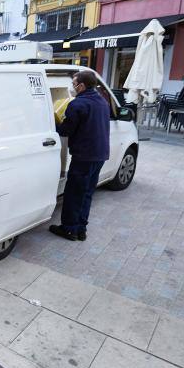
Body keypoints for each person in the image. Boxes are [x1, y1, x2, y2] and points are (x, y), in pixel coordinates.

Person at [50, 70, 111, 241]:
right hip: (99, 155)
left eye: (74, 84)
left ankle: (69, 229)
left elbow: (66, 130)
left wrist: (53, 123)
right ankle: (81, 229)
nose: (73, 87)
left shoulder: (78, 104)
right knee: (87, 193)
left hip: (83, 156)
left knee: (74, 193)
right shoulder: (102, 101)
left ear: (82, 85)